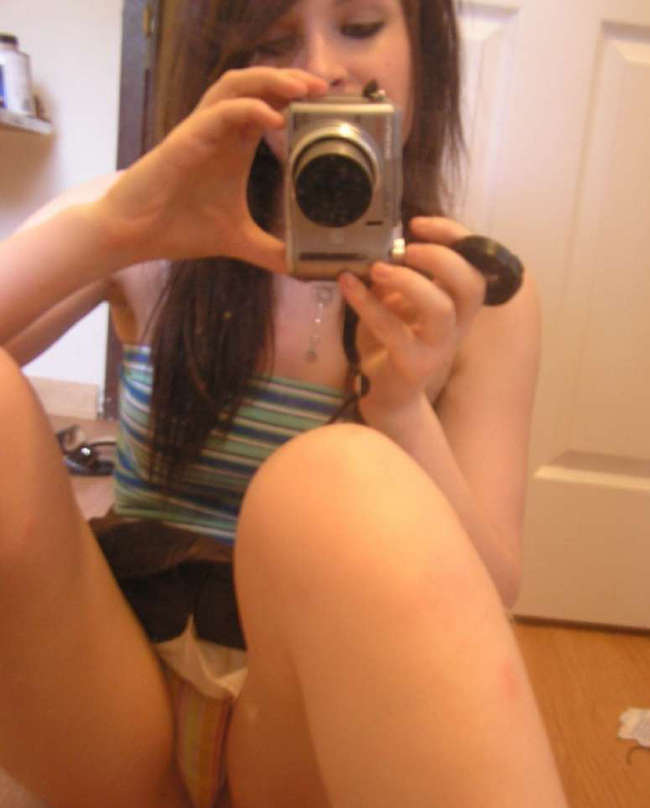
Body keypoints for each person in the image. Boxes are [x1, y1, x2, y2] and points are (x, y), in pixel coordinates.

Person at [0, 1, 568, 806]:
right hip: (119, 703)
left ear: (426, 47)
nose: (321, 70)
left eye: (360, 26)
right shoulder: (140, 231)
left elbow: (492, 587)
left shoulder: (475, 297)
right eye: (271, 41)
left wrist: (402, 412)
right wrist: (118, 228)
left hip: (307, 726)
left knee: (340, 479)